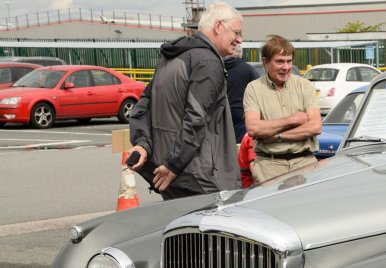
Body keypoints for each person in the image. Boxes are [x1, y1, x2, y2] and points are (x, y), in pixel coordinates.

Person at [126, 1, 242, 199]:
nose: (239, 40)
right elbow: (196, 119)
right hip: (196, 176)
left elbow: (142, 107)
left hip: (166, 171)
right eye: (237, 33)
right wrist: (174, 165)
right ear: (219, 26)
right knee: (207, 229)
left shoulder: (170, 58)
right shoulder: (207, 61)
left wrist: (142, 143)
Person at [243, 35, 322, 183]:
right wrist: (291, 120)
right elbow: (253, 128)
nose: (285, 67)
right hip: (269, 167)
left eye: (289, 61)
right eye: (280, 61)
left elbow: (315, 126)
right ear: (265, 62)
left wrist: (277, 136)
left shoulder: (304, 85)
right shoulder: (254, 88)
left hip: (305, 163)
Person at [224, 44, 259, 143]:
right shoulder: (248, 69)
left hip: (222, 112)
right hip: (241, 113)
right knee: (240, 143)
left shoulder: (218, 67)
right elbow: (258, 89)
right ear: (240, 53)